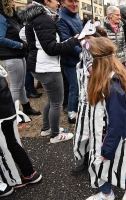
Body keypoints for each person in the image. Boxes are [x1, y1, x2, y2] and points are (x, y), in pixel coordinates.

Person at [84, 37, 126, 200]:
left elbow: (117, 125)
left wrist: (107, 150)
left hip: (110, 141)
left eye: (88, 62)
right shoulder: (100, 82)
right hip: (99, 138)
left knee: (108, 168)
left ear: (98, 63)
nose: (85, 68)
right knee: (98, 167)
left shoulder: (113, 89)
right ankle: (106, 193)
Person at [18, 0, 79, 143]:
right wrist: (74, 41)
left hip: (42, 66)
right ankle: (55, 135)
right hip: (47, 67)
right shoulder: (44, 19)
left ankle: (47, 128)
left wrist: (34, 48)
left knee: (52, 100)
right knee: (57, 102)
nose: (58, 3)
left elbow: (23, 35)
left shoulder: (36, 18)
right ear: (46, 1)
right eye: (55, 0)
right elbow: (51, 48)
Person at [0, 64, 42, 197]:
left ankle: (9, 182)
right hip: (8, 108)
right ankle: (29, 173)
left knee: (2, 150)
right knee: (12, 143)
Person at [72, 20, 107, 175]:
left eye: (90, 39)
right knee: (85, 134)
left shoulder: (103, 61)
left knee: (98, 135)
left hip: (99, 106)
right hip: (84, 104)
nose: (85, 42)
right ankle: (87, 161)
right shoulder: (81, 58)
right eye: (84, 39)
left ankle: (99, 164)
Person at [0, 0, 41, 116]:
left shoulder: (11, 17)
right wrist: (19, 45)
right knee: (15, 86)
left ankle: (26, 107)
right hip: (11, 56)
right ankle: (11, 114)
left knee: (21, 85)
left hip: (18, 54)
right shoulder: (2, 18)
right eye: (11, 0)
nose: (14, 2)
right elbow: (0, 38)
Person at [56, 0, 83, 124]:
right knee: (75, 88)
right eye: (70, 1)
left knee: (79, 87)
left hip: (80, 58)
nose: (74, 4)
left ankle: (77, 110)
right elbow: (66, 42)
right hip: (70, 61)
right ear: (63, 3)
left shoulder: (76, 15)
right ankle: (71, 114)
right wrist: (82, 53)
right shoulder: (61, 19)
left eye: (76, 1)